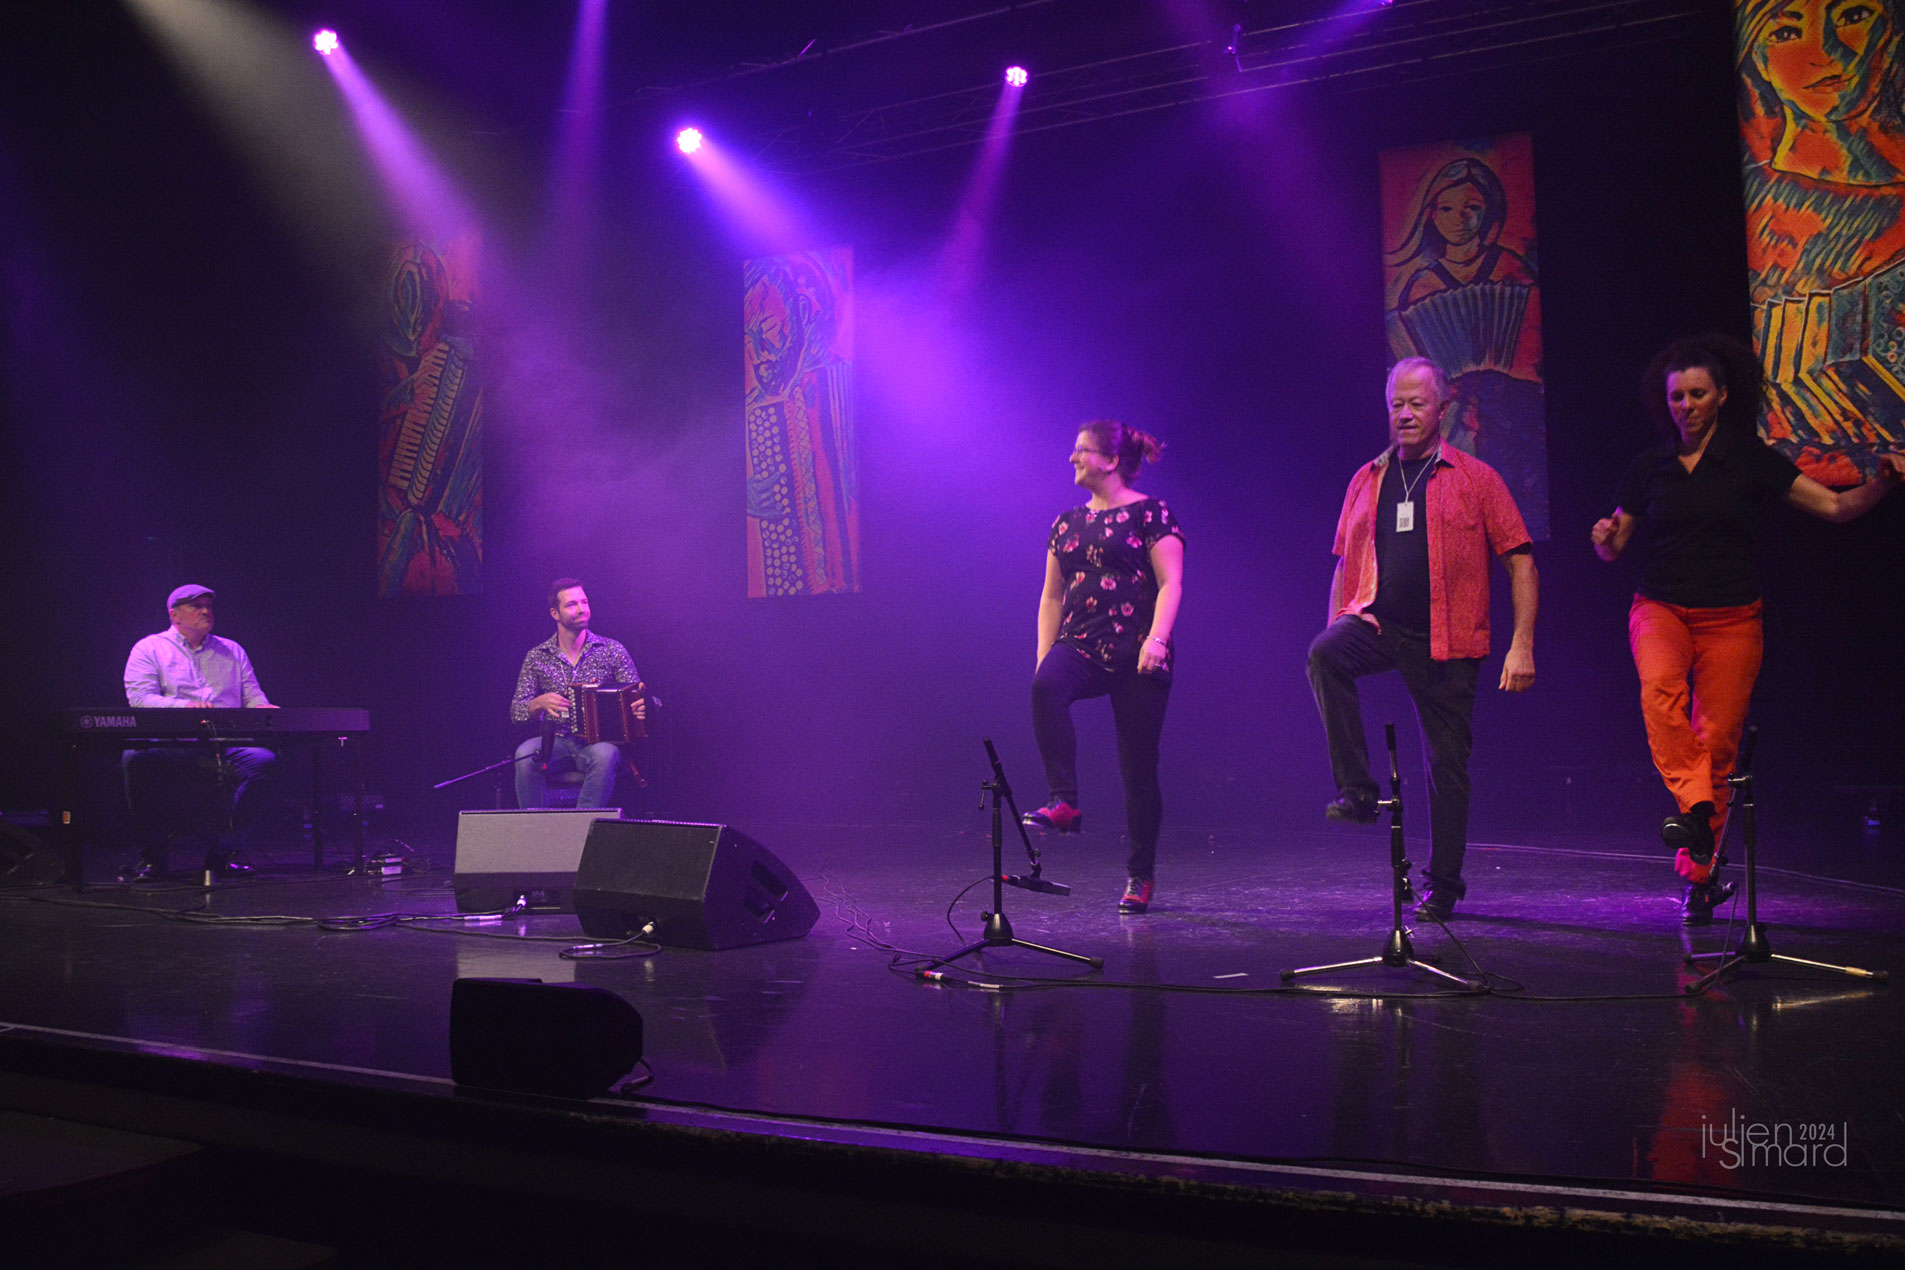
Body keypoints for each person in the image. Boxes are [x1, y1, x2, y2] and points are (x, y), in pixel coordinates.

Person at [1590, 335, 1904, 922]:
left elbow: (1834, 509)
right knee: (1660, 696)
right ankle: (1696, 804)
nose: (1686, 405)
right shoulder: (1649, 465)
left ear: (1723, 396)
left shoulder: (1750, 458)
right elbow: (1618, 543)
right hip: (1660, 608)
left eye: (1698, 394)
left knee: (1717, 742)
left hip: (1732, 618)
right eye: (1677, 396)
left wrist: (1883, 483)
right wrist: (1606, 541)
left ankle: (1698, 874)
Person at [1306, 357, 1538, 922]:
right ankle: (1359, 793)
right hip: (1379, 623)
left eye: (1417, 404)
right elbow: (1342, 559)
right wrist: (1341, 616)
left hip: (1448, 637)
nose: (1406, 414)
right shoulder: (1367, 479)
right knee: (1324, 653)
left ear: (1442, 408)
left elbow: (1521, 561)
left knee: (1447, 764)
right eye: (1397, 405)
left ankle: (1444, 883)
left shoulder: (1476, 479)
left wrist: (1522, 644)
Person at [1024, 420, 1184, 915]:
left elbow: (1171, 582)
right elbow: (1052, 595)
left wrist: (1157, 639)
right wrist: (1044, 656)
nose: (1072, 459)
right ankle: (1064, 802)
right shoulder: (1066, 523)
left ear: (1111, 461)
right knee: (1045, 689)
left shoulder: (1150, 512)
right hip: (1083, 643)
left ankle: (1140, 875)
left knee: (1138, 768)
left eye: (1081, 451)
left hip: (1138, 650)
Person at [120, 584, 279, 880]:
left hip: (226, 744)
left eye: (208, 606)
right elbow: (140, 700)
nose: (206, 611)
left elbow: (253, 696)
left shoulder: (233, 650)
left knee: (264, 761)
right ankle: (154, 857)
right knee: (135, 758)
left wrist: (263, 709)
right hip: (172, 744)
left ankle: (224, 852)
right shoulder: (149, 648)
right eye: (196, 606)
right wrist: (185, 707)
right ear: (174, 615)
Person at [509, 578, 645, 809]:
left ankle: (582, 832)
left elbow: (637, 695)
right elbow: (516, 712)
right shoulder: (537, 656)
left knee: (605, 755)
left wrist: (641, 707)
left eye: (584, 602)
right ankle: (534, 832)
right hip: (556, 742)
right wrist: (537, 703)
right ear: (555, 613)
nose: (582, 609)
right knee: (525, 754)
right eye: (572, 604)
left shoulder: (612, 650)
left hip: (597, 742)